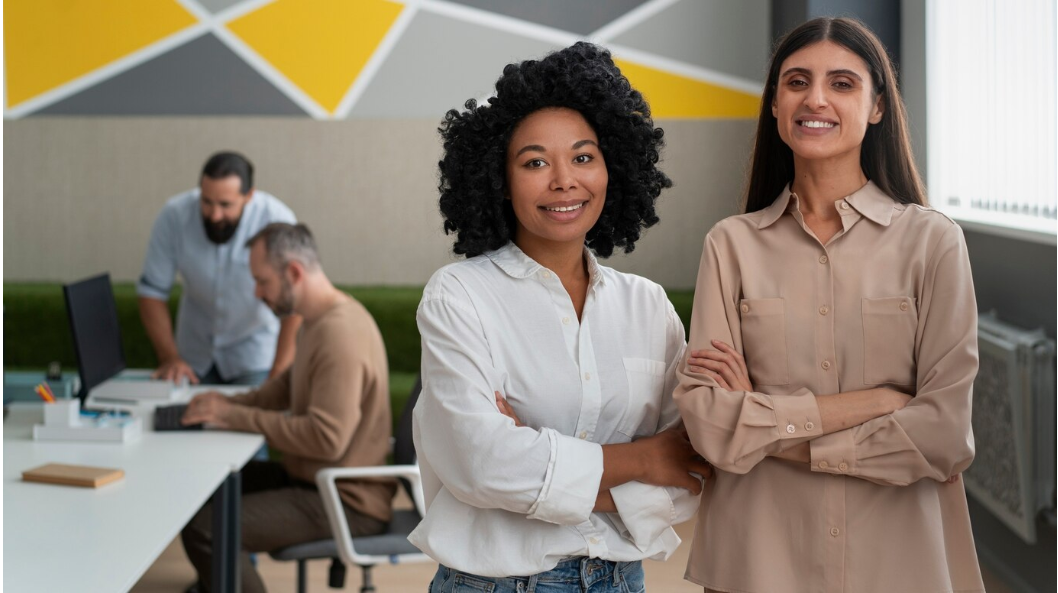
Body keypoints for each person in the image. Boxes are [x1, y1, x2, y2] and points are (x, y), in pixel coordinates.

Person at [676, 17, 984, 593]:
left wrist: (766, 427)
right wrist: (874, 405)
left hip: (900, 565)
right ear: (774, 105)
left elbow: (944, 435)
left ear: (876, 107)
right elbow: (710, 425)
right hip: (757, 566)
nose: (814, 98)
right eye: (796, 81)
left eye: (842, 83)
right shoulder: (730, 244)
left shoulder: (933, 241)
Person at [410, 42, 711, 593]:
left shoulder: (648, 305)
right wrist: (645, 458)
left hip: (620, 581)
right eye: (534, 162)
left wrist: (539, 463)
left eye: (582, 156)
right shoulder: (459, 295)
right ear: (500, 180)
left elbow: (690, 473)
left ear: (611, 167)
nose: (563, 180)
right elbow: (482, 464)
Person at [179, 223, 394, 593]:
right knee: (202, 490)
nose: (257, 292)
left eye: (262, 281)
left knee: (207, 528)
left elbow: (326, 440)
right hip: (316, 479)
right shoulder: (317, 321)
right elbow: (282, 390)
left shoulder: (339, 333)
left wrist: (232, 417)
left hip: (345, 499)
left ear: (293, 272)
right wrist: (224, 404)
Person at [137, 151, 300, 386]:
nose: (214, 215)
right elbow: (152, 292)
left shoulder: (276, 219)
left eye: (225, 205)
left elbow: (294, 305)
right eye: (206, 201)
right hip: (191, 356)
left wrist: (278, 376)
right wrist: (169, 357)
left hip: (253, 355)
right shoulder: (174, 215)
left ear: (249, 196)